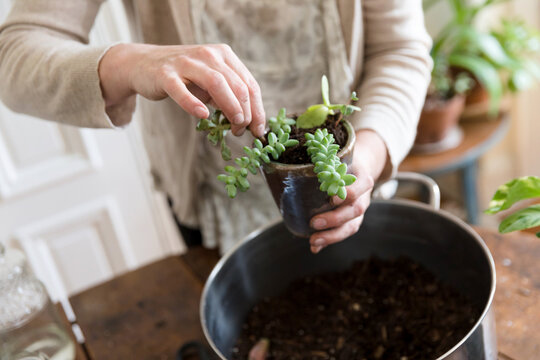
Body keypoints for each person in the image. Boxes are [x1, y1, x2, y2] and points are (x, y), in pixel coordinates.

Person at [0, 0, 432, 255]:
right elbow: (14, 55)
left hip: (348, 182)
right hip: (209, 205)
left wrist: (368, 160)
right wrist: (132, 62)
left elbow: (400, 51)